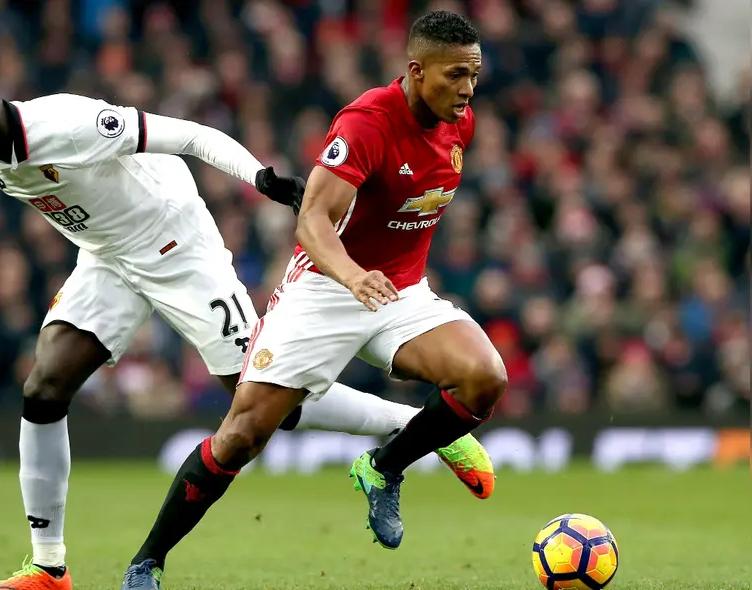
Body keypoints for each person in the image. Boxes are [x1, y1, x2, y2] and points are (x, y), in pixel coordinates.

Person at [0, 63, 496, 590]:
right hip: (106, 260)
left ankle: (401, 428)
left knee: (264, 407)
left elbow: (186, 135)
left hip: (177, 248)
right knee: (43, 391)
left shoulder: (69, 124)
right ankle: (48, 567)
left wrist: (261, 177)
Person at [119, 11, 505, 589]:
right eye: (456, 75)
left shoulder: (461, 123)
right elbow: (313, 219)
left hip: (399, 292)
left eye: (474, 75)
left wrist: (379, 280)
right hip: (327, 287)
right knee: (243, 434)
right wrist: (351, 275)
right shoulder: (367, 122)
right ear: (417, 71)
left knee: (484, 378)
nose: (468, 89)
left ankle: (382, 469)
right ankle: (146, 561)